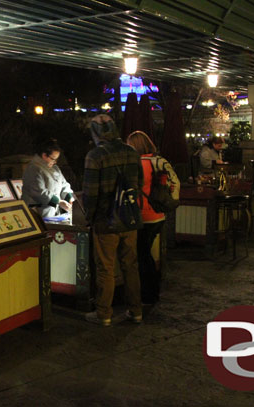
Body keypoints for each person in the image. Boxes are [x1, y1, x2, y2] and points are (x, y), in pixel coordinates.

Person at [83, 114, 143, 326]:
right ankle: (136, 311)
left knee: (106, 269)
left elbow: (90, 194)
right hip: (129, 219)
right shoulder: (132, 152)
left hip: (105, 221)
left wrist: (90, 218)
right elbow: (139, 184)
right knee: (131, 266)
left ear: (95, 133)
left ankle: (104, 314)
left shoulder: (95, 156)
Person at [126, 130, 180, 304]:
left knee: (142, 256)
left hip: (143, 215)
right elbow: (175, 182)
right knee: (147, 253)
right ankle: (152, 290)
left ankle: (149, 294)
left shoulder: (136, 163)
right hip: (159, 214)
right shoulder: (160, 161)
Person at [22, 138, 74, 218]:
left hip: (53, 213)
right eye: (53, 159)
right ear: (44, 155)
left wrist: (68, 197)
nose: (55, 162)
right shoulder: (33, 168)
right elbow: (39, 192)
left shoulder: (55, 168)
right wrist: (58, 202)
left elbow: (64, 184)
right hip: (38, 213)